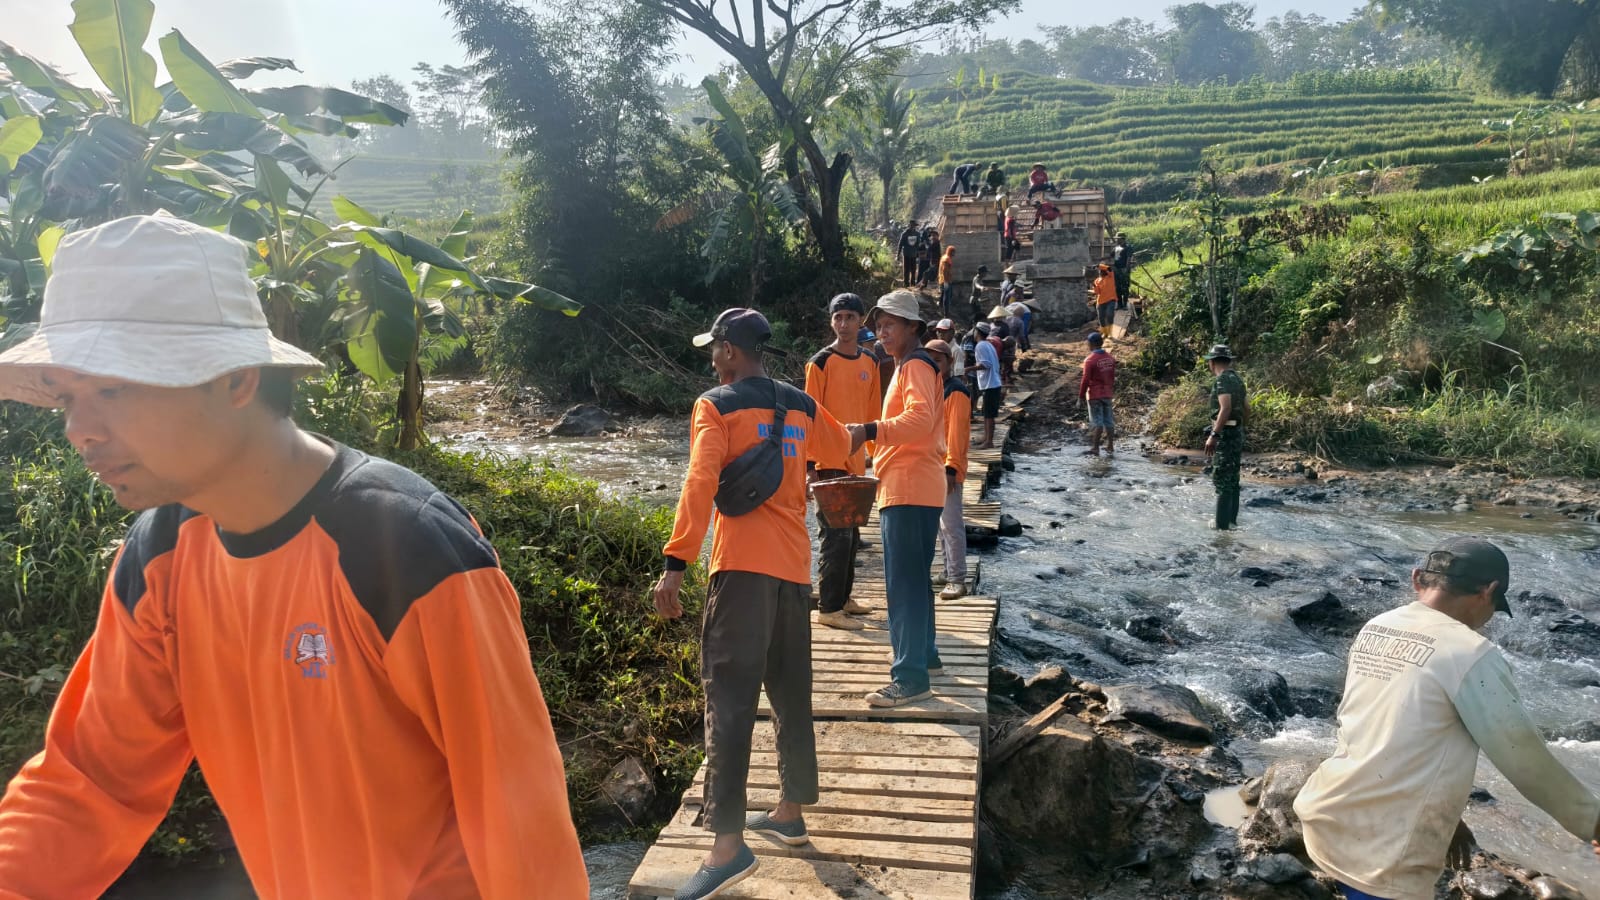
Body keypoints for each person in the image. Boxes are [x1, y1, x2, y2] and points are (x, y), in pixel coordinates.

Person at [0, 214, 588, 897]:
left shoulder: (405, 549)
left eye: (111, 389)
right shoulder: (160, 558)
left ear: (236, 379)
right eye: (66, 398)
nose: (79, 430)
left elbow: (520, 819)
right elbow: (90, 782)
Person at [656, 307, 853, 900]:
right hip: (794, 571)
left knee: (729, 701)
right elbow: (842, 448)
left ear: (730, 351)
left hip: (741, 571)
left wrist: (675, 563)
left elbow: (699, 483)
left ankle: (727, 848)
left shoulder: (714, 406)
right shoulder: (801, 404)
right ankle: (790, 812)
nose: (711, 357)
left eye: (714, 348)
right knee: (791, 693)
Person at [1295, 538, 1600, 900]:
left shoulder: (1378, 626)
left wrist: (1449, 818)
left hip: (1329, 816)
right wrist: (1593, 822)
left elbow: (1383, 731)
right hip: (1382, 853)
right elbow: (1526, 763)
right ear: (1489, 591)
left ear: (1417, 579)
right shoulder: (1470, 653)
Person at [845, 291, 947, 708]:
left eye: (891, 325)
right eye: (880, 325)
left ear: (913, 328)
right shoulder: (911, 365)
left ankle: (909, 677)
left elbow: (919, 420)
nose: (882, 333)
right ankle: (926, 657)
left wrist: (869, 430)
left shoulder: (916, 365)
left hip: (908, 485)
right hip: (916, 484)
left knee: (903, 585)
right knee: (915, 580)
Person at [803, 294, 881, 632]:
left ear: (861, 321)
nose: (844, 324)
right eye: (839, 317)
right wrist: (808, 467)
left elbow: (873, 414)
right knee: (835, 536)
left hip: (856, 462)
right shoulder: (820, 363)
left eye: (850, 317)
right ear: (831, 321)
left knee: (852, 534)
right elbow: (807, 416)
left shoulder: (871, 362)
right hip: (827, 460)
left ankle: (844, 598)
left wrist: (878, 456)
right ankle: (829, 608)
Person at [924, 339, 972, 601]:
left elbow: (957, 434)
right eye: (930, 361)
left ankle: (957, 579)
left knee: (951, 524)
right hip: (933, 467)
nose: (934, 365)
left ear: (950, 362)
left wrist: (951, 468)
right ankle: (947, 570)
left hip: (947, 468)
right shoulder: (935, 388)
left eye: (938, 360)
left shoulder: (956, 391)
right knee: (942, 525)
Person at [1202, 344, 1246, 530]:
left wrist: (1214, 434)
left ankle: (1221, 529)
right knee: (1233, 480)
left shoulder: (1222, 380)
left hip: (1225, 436)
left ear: (1212, 362)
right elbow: (1247, 408)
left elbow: (1225, 408)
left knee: (1222, 480)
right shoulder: (1238, 379)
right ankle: (1232, 522)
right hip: (1236, 433)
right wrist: (1239, 429)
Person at [1077, 331, 1117, 456]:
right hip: (1107, 393)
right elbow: (1112, 376)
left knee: (1097, 422)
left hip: (1095, 394)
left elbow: (1085, 380)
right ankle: (1110, 446)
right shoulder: (1110, 358)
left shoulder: (1090, 360)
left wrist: (1080, 396)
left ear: (1091, 344)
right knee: (1109, 420)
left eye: (1088, 343)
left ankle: (1095, 448)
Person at [973, 320, 1003, 450]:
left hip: (990, 384)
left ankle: (989, 441)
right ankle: (986, 438)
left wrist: (968, 369)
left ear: (978, 332)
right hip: (993, 383)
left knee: (989, 415)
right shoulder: (989, 344)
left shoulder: (980, 345)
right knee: (987, 413)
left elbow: (985, 364)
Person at [1092, 262, 1118, 331]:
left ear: (1105, 271)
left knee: (1110, 315)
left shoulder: (1110, 276)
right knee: (1101, 317)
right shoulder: (1097, 280)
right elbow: (1097, 292)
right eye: (1100, 271)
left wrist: (1098, 265)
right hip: (1101, 301)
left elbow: (1108, 268)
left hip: (1111, 299)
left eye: (1102, 270)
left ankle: (1110, 331)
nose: (1101, 272)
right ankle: (1104, 332)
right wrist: (1094, 286)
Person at [1111, 231, 1132, 310]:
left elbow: (1128, 259)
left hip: (1124, 269)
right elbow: (1111, 256)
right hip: (1116, 269)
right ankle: (1119, 304)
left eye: (1117, 239)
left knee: (1125, 287)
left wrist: (1126, 269)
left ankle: (1125, 304)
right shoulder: (1116, 248)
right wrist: (1100, 259)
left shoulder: (1128, 247)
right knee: (1117, 287)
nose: (1116, 240)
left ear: (1122, 239)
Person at [897, 220, 923, 287]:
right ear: (909, 226)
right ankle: (906, 283)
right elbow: (900, 244)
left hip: (914, 254)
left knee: (913, 269)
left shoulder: (917, 234)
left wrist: (918, 253)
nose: (912, 227)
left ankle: (913, 283)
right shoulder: (905, 234)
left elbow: (918, 244)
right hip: (906, 254)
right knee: (906, 269)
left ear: (915, 226)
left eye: (914, 226)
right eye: (911, 225)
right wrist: (898, 254)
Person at [937, 245, 958, 316]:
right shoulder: (947, 259)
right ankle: (946, 313)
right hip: (945, 280)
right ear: (950, 252)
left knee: (946, 294)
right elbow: (944, 271)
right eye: (953, 252)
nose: (954, 254)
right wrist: (946, 281)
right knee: (947, 297)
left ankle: (940, 306)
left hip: (944, 279)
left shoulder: (945, 257)